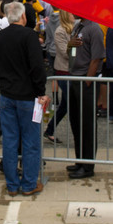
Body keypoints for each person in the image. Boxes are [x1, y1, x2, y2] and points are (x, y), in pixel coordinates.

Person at [0, 1, 50, 196]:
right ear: (23, 17)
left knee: (10, 141)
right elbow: (37, 67)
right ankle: (29, 183)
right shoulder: (29, 36)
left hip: (8, 95)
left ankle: (12, 184)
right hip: (28, 97)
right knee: (30, 142)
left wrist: (2, 83)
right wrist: (41, 91)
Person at [65, 15, 105, 179]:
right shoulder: (77, 27)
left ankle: (88, 166)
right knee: (76, 122)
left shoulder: (94, 28)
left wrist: (88, 80)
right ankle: (80, 161)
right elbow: (71, 52)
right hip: (75, 78)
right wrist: (69, 45)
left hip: (84, 80)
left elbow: (97, 58)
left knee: (87, 124)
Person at [43, 10, 75, 145]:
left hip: (72, 71)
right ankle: (51, 130)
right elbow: (65, 52)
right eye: (72, 14)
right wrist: (80, 52)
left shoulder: (75, 29)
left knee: (66, 104)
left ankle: (49, 130)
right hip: (63, 71)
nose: (74, 15)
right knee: (70, 103)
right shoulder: (60, 31)